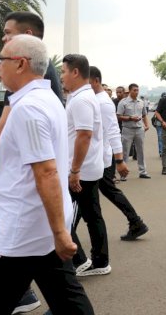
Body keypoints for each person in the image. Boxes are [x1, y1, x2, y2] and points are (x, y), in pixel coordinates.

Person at [0, 35, 94, 314]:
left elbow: (47, 172)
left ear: (21, 63)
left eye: (1, 60)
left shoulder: (29, 108)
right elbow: (12, 148)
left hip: (23, 230)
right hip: (42, 227)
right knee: (69, 305)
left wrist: (61, 233)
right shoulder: (45, 99)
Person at [61, 54, 110, 277]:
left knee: (64, 214)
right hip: (86, 167)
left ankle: (80, 259)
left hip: (82, 170)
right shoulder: (82, 97)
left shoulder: (81, 100)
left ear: (75, 72)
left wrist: (74, 170)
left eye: (63, 71)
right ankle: (98, 261)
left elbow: (84, 136)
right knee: (91, 215)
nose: (61, 76)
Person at [89, 67, 150, 241]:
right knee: (103, 193)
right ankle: (135, 222)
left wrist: (120, 160)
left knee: (92, 196)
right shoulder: (96, 100)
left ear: (94, 80)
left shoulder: (103, 102)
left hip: (102, 157)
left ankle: (136, 222)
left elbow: (113, 131)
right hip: (98, 157)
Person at [117, 83, 151, 180]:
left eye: (137, 90)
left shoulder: (141, 102)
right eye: (134, 90)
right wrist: (130, 118)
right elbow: (118, 116)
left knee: (141, 151)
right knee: (125, 152)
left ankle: (143, 172)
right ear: (130, 90)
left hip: (139, 129)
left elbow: (144, 115)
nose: (136, 92)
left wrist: (147, 125)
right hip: (127, 129)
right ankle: (123, 174)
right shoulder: (123, 102)